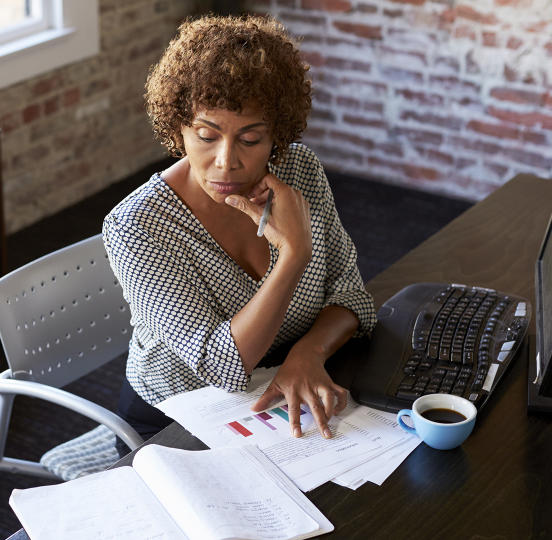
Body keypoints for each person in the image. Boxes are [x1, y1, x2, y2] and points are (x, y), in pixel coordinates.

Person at [103, 14, 377, 457]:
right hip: (178, 418)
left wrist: (307, 352)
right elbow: (223, 365)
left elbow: (350, 292)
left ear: (277, 137)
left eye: (250, 139)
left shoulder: (300, 171)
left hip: (286, 382)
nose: (226, 161)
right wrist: (294, 254)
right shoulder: (137, 226)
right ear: (178, 129)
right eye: (207, 136)